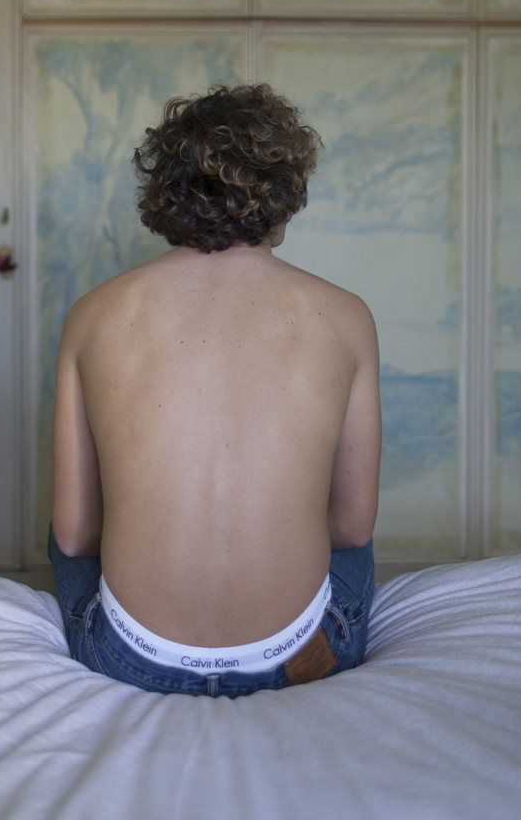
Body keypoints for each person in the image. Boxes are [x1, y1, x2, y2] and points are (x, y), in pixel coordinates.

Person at [49, 83, 381, 698]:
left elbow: (75, 536)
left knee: (65, 539)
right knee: (350, 548)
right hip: (295, 658)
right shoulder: (347, 316)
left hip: (131, 658)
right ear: (284, 193)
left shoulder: (92, 314)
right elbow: (352, 528)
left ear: (170, 192)